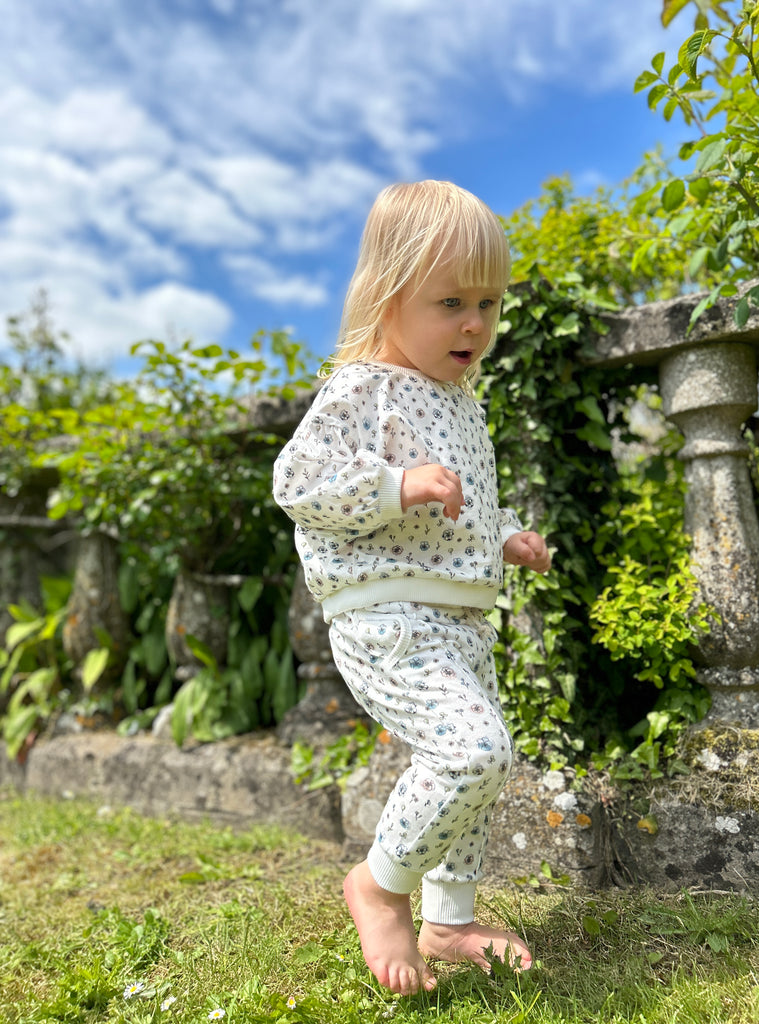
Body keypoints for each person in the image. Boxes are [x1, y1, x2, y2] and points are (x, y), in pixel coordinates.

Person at [273, 180, 551, 995]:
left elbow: (451, 515)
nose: (475, 323)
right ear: (387, 298)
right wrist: (397, 483)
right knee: (471, 750)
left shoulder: (460, 403)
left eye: (490, 304)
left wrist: (504, 538)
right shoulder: (366, 387)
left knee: (481, 771)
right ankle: (379, 884)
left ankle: (450, 919)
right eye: (452, 301)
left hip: (462, 621)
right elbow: (299, 479)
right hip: (390, 618)